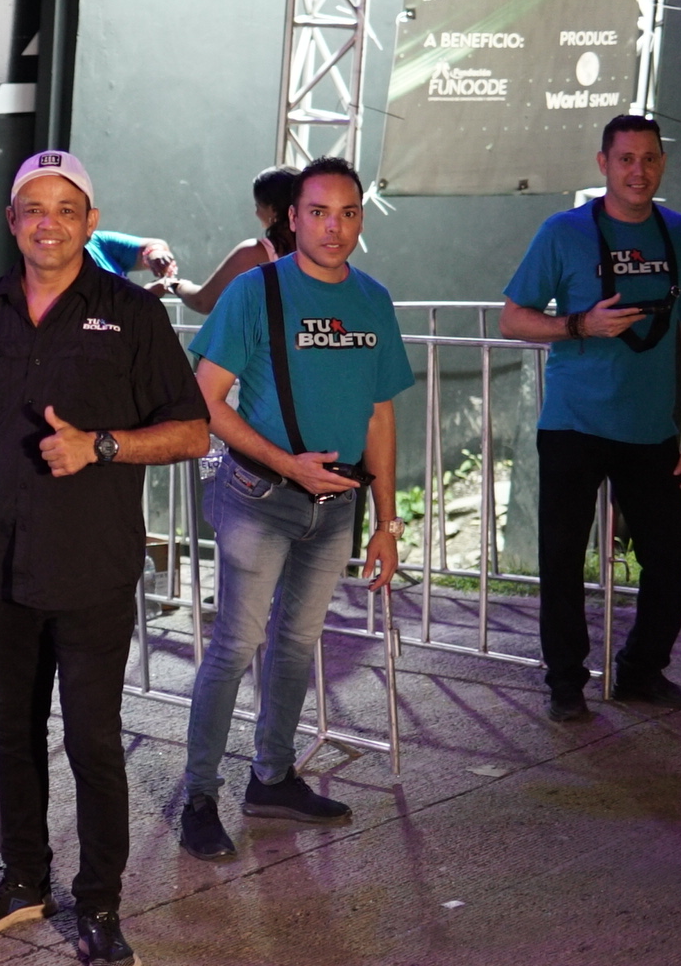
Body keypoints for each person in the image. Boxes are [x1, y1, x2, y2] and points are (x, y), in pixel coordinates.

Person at [0, 151, 209, 962]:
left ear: (91, 222)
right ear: (12, 221)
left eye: (65, 209)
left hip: (93, 568)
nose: (47, 224)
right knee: (12, 733)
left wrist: (102, 445)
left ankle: (100, 902)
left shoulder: (133, 313)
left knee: (92, 741)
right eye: (33, 209)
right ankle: (24, 878)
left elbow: (193, 431)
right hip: (3, 569)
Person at [178, 156, 410, 862]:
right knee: (235, 646)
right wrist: (285, 463)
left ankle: (272, 777)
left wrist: (387, 521)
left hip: (336, 507)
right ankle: (199, 798)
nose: (333, 227)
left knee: (298, 644)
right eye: (318, 212)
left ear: (360, 220)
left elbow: (379, 416)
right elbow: (204, 401)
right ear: (292, 218)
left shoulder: (374, 300)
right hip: (258, 497)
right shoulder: (255, 292)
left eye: (347, 213)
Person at [499, 114, 681, 721]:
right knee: (562, 559)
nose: (638, 171)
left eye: (649, 158)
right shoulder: (563, 230)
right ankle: (565, 683)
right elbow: (512, 318)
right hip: (572, 423)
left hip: (651, 430)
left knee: (673, 553)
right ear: (603, 164)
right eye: (625, 159)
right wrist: (580, 324)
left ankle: (642, 670)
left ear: (662, 163)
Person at [162, 166, 301, 315]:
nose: (256, 213)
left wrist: (175, 285)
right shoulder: (317, 248)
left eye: (258, 206)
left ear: (273, 210)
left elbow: (203, 301)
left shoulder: (254, 253)